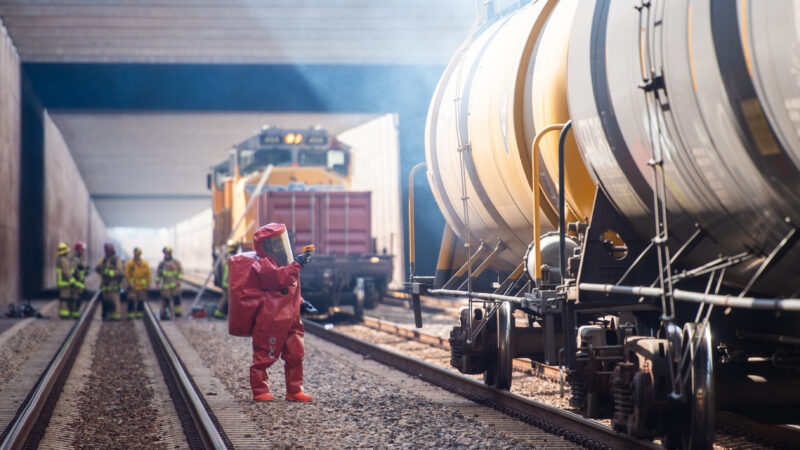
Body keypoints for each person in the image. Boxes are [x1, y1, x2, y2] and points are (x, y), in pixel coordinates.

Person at [248, 223, 317, 402]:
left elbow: (290, 290)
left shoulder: (284, 263)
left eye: (281, 241)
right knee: (264, 356)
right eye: (276, 242)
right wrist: (297, 264)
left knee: (296, 355)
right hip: (272, 320)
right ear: (266, 245)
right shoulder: (262, 264)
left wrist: (303, 303)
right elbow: (280, 279)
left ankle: (294, 391)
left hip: (291, 319)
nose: (280, 246)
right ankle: (260, 391)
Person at [95, 242, 124, 320]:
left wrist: (109, 273)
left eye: (107, 250)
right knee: (106, 302)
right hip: (105, 286)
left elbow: (120, 271)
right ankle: (106, 316)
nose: (106, 251)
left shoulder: (116, 260)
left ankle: (116, 317)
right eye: (105, 250)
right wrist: (100, 270)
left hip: (113, 285)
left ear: (111, 250)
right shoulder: (103, 260)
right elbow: (98, 268)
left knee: (114, 302)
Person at [214, 239, 239, 319]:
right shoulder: (232, 257)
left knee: (227, 297)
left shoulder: (228, 255)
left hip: (227, 281)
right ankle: (218, 312)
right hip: (228, 281)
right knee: (226, 297)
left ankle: (222, 311)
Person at [157, 246, 183, 319]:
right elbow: (158, 274)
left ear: (170, 254)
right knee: (166, 301)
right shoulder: (162, 264)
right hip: (166, 286)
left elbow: (180, 272)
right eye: (165, 254)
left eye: (167, 254)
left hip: (175, 285)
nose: (165, 255)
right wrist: (157, 282)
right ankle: (167, 314)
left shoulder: (176, 263)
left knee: (177, 300)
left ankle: (178, 314)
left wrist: (179, 280)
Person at [125, 247, 151, 319]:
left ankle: (139, 316)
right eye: (136, 254)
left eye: (138, 254)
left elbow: (148, 274)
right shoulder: (130, 264)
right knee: (131, 300)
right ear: (134, 254)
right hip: (133, 286)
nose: (137, 255)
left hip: (142, 287)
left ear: (140, 255)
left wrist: (148, 284)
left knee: (141, 301)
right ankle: (130, 316)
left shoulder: (145, 264)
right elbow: (127, 274)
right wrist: (130, 283)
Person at [56, 242, 77, 319]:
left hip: (62, 282)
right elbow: (66, 271)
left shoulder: (60, 259)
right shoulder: (63, 260)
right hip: (65, 283)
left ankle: (65, 314)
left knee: (64, 298)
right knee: (65, 299)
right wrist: (72, 281)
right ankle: (64, 315)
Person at [70, 241, 87, 319]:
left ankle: (76, 313)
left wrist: (86, 271)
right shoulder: (74, 259)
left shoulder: (82, 258)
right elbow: (73, 270)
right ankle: (73, 313)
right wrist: (78, 273)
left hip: (81, 281)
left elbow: (82, 269)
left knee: (79, 298)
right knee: (75, 298)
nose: (83, 251)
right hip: (76, 281)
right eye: (82, 249)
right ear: (78, 250)